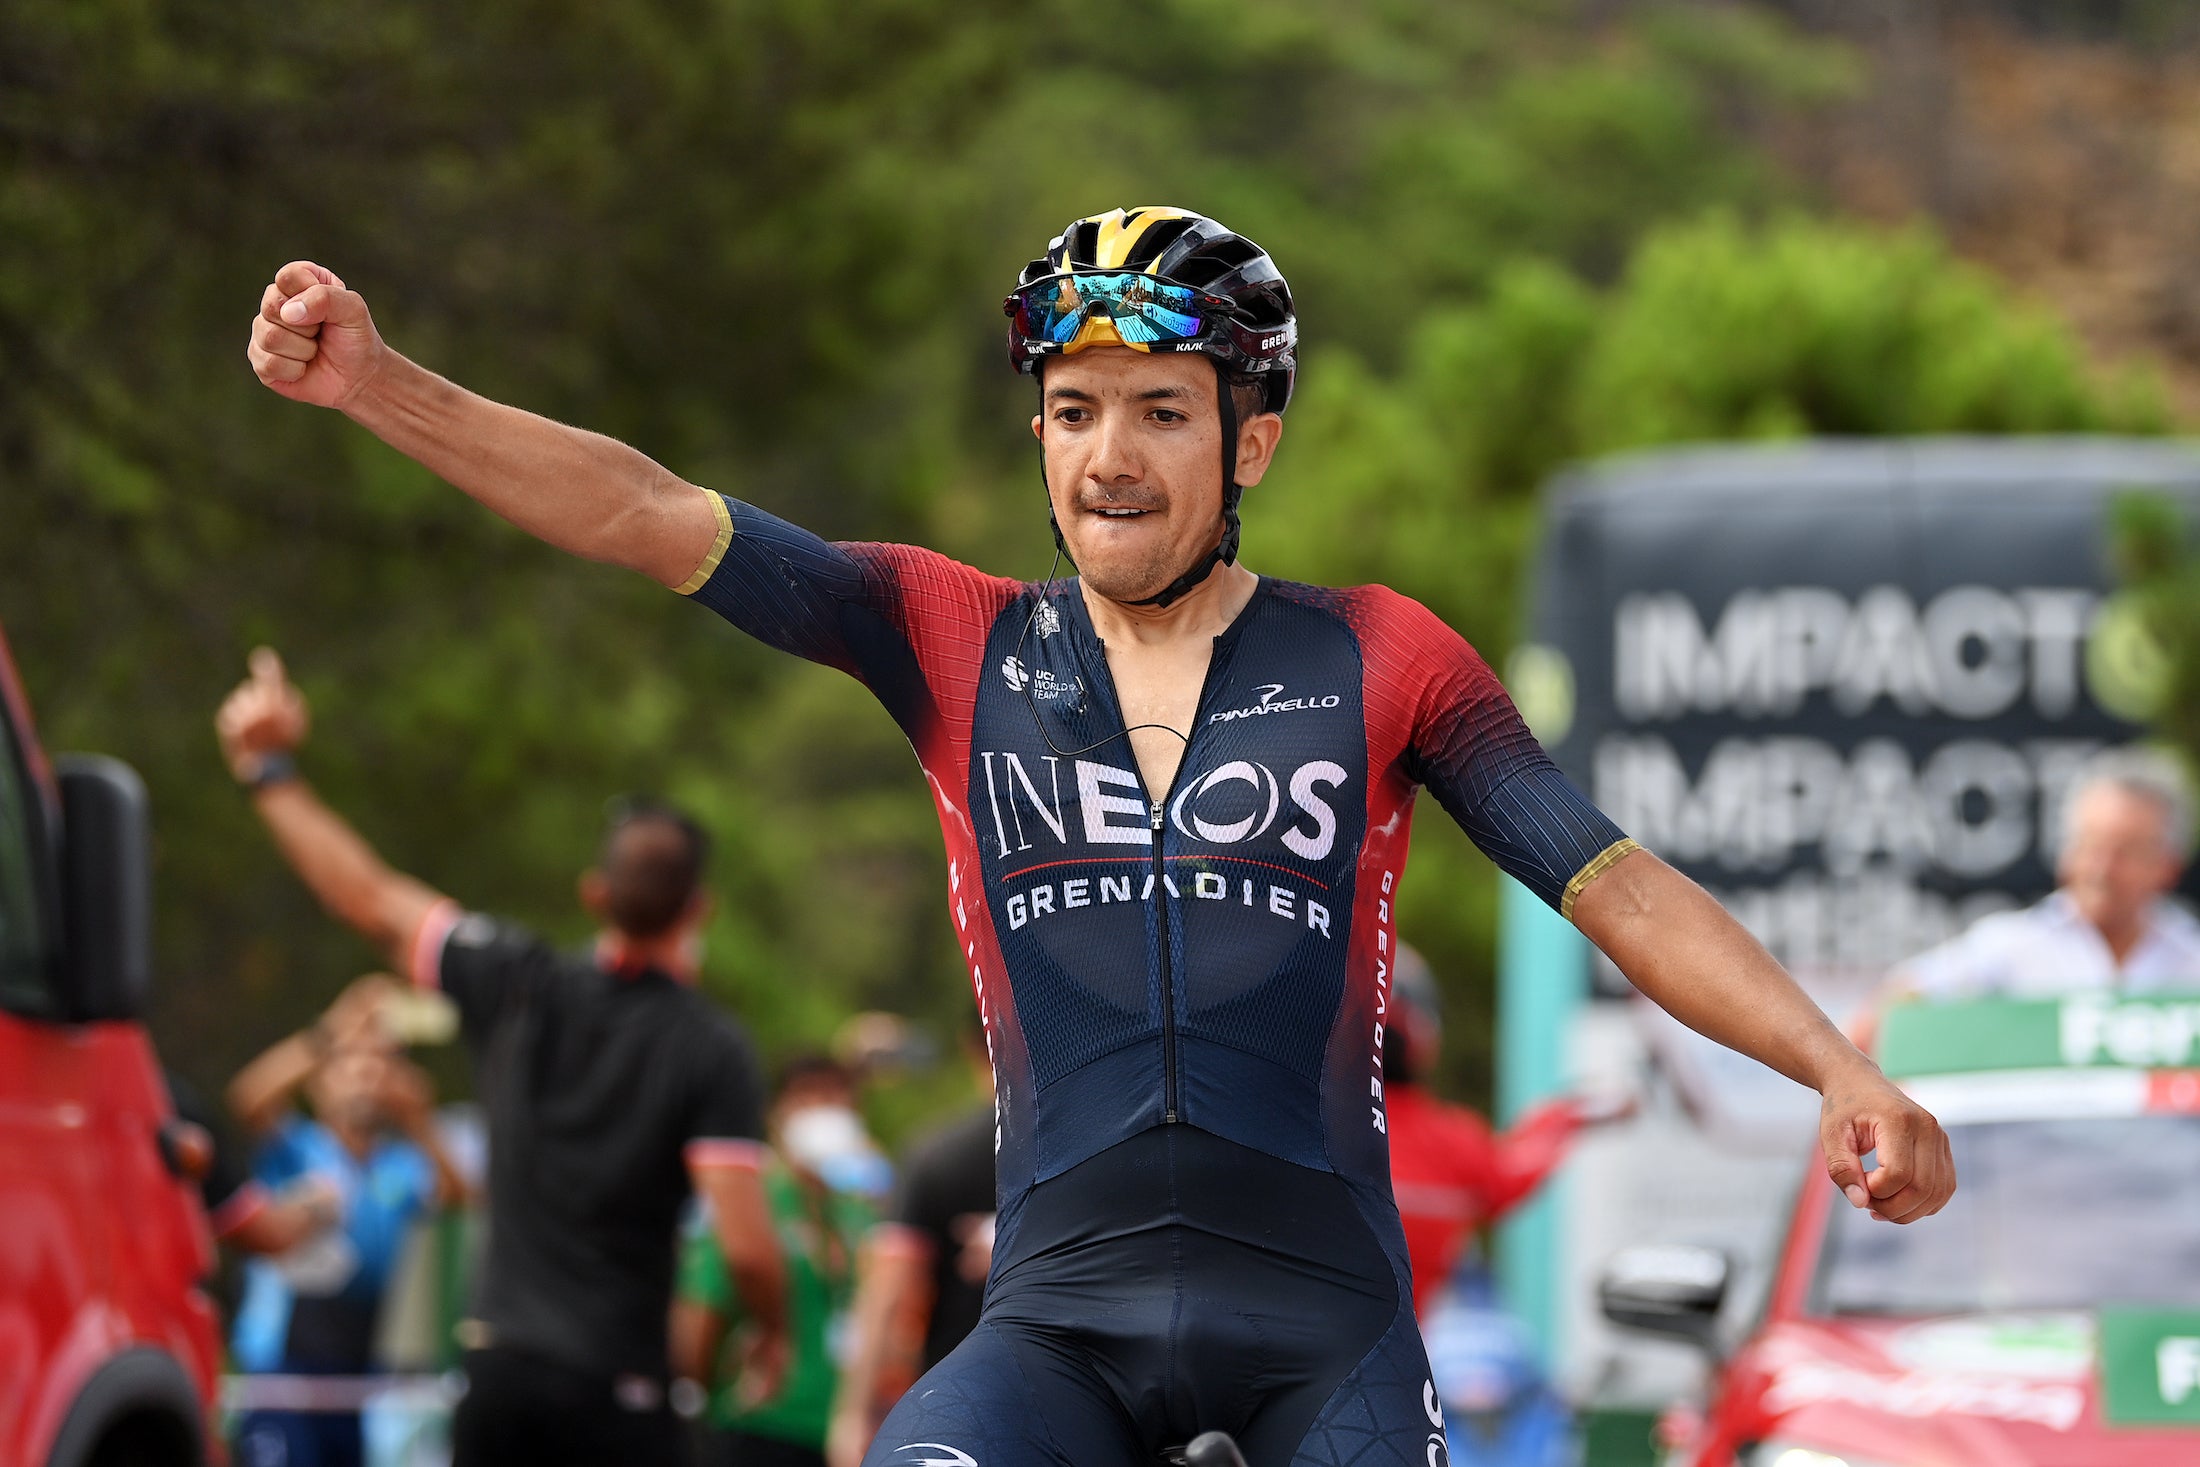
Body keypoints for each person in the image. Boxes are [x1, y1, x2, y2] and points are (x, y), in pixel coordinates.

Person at [243, 206, 1952, 1464]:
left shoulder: (1383, 657)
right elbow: (641, 510)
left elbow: (1611, 879)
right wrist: (382, 386)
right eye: (1073, 408)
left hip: (1325, 1333)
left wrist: (1836, 1065)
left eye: (1159, 408)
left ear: (1251, 435)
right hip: (1056, 1321)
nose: (1108, 457)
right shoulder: (946, 632)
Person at [214, 654, 788, 1467]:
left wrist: (268, 769)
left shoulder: (518, 980)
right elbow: (748, 1249)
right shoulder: (711, 1045)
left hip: (500, 1369)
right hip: (618, 1379)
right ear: (701, 908)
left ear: (595, 894)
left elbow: (368, 898)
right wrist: (772, 1328)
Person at [223, 976, 468, 1467]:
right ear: (320, 1083)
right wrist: (331, 1031)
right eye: (350, 1064)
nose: (365, 1075)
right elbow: (247, 1098)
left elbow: (458, 1195)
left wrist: (420, 1119)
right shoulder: (296, 1147)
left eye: (378, 1064)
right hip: (282, 1377)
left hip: (356, 1380)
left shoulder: (400, 1165)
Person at [1381, 946, 1608, 1319]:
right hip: (1392, 1348)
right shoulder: (1450, 1145)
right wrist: (1569, 1115)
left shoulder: (1303, 1119)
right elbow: (1516, 1169)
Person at [675, 1055, 877, 1467]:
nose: (823, 1111)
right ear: (777, 1113)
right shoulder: (753, 1201)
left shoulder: (859, 1213)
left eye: (835, 1098)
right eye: (807, 1097)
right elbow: (701, 1308)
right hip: (761, 1422)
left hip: (840, 1435)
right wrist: (690, 1400)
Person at [1891, 748, 2200, 1000]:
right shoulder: (2009, 948)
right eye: (2090, 845)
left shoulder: (2191, 960)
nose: (2102, 869)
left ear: (2168, 867)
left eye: (2125, 852)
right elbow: (1899, 998)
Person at [824, 1026, 996, 1467]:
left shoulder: (939, 1155)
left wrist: (852, 1414)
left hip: (956, 1404)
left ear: (974, 1047)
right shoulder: (1098, 1151)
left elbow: (888, 1291)